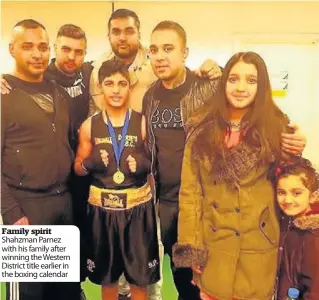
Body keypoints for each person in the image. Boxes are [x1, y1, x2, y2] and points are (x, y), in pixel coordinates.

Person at [90, 9, 221, 300]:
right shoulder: (151, 96)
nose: (160, 56)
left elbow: (247, 109)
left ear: (185, 52)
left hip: (201, 202)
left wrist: (289, 132)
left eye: (169, 48)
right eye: (155, 50)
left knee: (205, 281)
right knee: (179, 275)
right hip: (163, 203)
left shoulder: (206, 88)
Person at [171, 51, 307, 300]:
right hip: (213, 245)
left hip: (259, 245)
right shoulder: (201, 129)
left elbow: (294, 184)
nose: (241, 88)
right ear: (224, 83)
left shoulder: (276, 127)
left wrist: (296, 151)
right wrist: (191, 249)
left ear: (262, 85)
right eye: (234, 79)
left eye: (251, 80)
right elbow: (191, 194)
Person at [1, 24, 95, 299]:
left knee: (64, 292)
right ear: (12, 49)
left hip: (62, 205)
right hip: (27, 210)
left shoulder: (58, 93)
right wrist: (12, 213)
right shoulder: (3, 96)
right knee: (30, 294)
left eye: (42, 47)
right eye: (27, 46)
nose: (36, 54)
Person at [74, 60, 160, 300]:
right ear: (101, 87)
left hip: (138, 210)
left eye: (121, 83)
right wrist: (90, 163)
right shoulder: (89, 125)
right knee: (107, 279)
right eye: (109, 83)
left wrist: (143, 165)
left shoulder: (142, 122)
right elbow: (78, 169)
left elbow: (156, 165)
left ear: (129, 87)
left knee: (140, 279)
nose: (115, 89)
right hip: (103, 212)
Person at [271, 158, 319, 300]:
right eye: (281, 192)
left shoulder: (314, 238)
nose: (288, 200)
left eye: (296, 193)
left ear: (313, 196)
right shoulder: (287, 221)